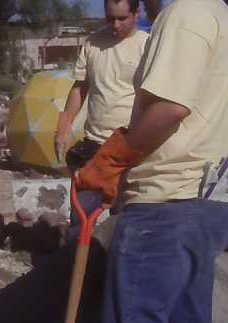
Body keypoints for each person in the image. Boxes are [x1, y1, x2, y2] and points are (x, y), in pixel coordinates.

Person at [75, 0, 228, 323]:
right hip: (205, 200)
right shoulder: (218, 12)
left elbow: (169, 109)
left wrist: (110, 161)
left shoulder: (185, 13)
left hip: (164, 205)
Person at [55, 0, 147, 211]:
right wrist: (63, 127)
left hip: (129, 148)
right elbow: (79, 87)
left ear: (137, 13)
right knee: (81, 216)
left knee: (125, 218)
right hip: (94, 146)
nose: (115, 25)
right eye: (109, 18)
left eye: (122, 18)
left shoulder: (148, 45)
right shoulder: (92, 44)